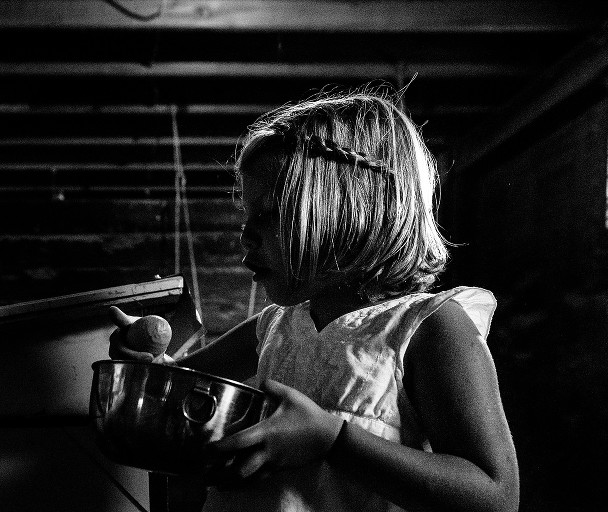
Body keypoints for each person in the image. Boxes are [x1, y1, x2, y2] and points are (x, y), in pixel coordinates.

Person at [109, 86, 519, 512]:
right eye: (248, 218)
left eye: (270, 216)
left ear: (350, 213)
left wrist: (332, 440)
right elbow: (177, 382)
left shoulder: (428, 329)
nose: (245, 237)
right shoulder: (275, 325)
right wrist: (145, 366)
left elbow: (496, 496)